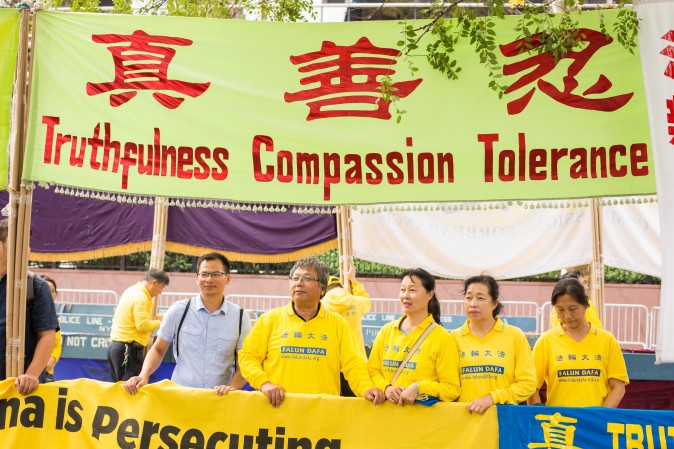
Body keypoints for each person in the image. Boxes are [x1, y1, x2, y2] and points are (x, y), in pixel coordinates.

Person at [238, 255, 385, 408]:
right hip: (277, 414)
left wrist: (366, 388)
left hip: (322, 415)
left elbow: (353, 365)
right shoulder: (270, 319)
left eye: (307, 278)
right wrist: (265, 384)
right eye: (295, 278)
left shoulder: (337, 323)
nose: (299, 283)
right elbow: (248, 357)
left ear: (322, 290)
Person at [124, 253, 251, 395]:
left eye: (216, 274)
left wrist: (232, 388)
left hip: (221, 401)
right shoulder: (179, 310)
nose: (209, 279)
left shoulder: (240, 318)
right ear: (197, 278)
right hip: (181, 396)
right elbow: (159, 349)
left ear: (227, 278)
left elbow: (245, 364)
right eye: (204, 274)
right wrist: (144, 375)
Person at [528, 277, 628, 407]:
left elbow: (618, 387)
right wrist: (537, 410)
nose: (567, 316)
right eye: (560, 310)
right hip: (558, 424)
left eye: (573, 308)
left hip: (594, 423)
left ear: (586, 304)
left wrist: (601, 416)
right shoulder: (546, 341)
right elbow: (530, 385)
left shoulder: (607, 340)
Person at [368, 268, 461, 406]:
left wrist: (419, 388)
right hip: (386, 420)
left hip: (422, 422)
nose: (405, 295)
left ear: (430, 295)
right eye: (402, 290)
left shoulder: (442, 338)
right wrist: (386, 387)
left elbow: (452, 389)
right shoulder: (386, 331)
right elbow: (372, 371)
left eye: (412, 290)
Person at [450, 274, 536, 414]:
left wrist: (493, 398)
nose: (473, 304)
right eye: (468, 297)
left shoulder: (514, 336)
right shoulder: (453, 338)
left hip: (503, 420)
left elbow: (528, 384)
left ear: (494, 303)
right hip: (464, 422)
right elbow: (449, 386)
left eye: (480, 298)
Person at [0, 218, 59, 395]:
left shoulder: (35, 286)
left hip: (19, 388)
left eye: (27, 244)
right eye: (17, 243)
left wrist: (31, 375)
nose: (26, 250)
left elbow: (47, 336)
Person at [108, 268, 169, 382]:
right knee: (131, 390)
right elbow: (142, 325)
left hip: (117, 347)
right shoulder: (141, 298)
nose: (160, 292)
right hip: (128, 349)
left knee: (119, 389)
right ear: (154, 282)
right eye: (162, 287)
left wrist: (156, 317)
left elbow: (136, 317)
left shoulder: (132, 291)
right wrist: (160, 322)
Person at [321, 263, 371, 397]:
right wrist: (353, 280)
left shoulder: (321, 306)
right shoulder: (356, 301)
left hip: (332, 363)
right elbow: (366, 301)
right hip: (356, 361)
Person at [40, 275, 62, 382]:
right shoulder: (30, 314)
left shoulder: (55, 317)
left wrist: (52, 360)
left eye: (52, 291)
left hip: (48, 373)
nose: (50, 293)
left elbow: (57, 345)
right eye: (46, 289)